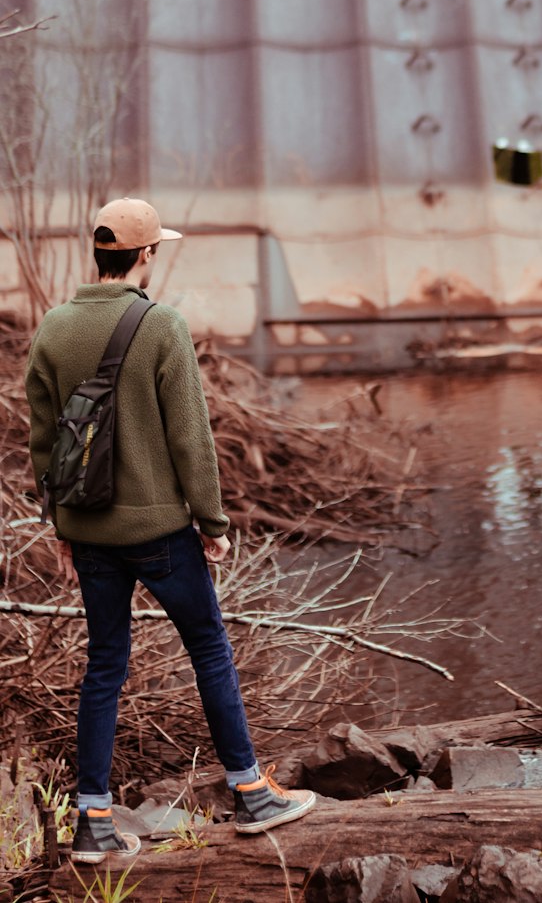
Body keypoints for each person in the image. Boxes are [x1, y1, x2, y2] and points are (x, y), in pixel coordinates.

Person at [26, 198, 316, 863]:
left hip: (90, 532)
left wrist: (62, 530)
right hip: (160, 532)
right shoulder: (162, 327)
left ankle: (92, 821)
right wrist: (212, 523)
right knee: (209, 649)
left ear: (98, 253)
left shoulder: (52, 329)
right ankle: (251, 794)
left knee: (104, 665)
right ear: (145, 255)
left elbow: (44, 444)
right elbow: (192, 437)